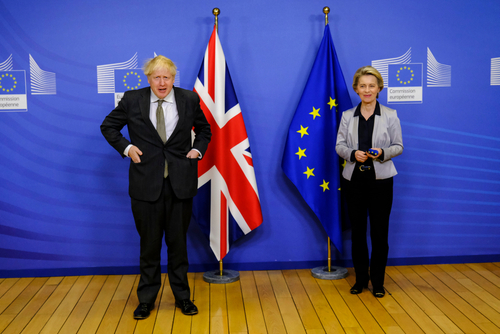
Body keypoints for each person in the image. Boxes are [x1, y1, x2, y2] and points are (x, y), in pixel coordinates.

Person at [101, 55, 211, 318]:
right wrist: (127, 148)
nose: (162, 83)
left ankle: (182, 298)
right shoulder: (132, 100)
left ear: (174, 78)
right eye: (157, 77)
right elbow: (109, 127)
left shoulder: (189, 99)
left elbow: (205, 130)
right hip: (145, 186)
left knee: (178, 246)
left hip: (180, 185)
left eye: (167, 77)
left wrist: (197, 150)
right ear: (148, 78)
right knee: (149, 246)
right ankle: (146, 299)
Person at [335, 66, 403, 298]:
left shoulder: (390, 115)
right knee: (358, 233)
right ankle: (360, 280)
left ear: (379, 88)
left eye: (371, 86)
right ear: (356, 89)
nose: (367, 90)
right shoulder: (346, 116)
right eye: (362, 86)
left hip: (381, 182)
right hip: (354, 181)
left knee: (379, 234)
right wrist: (352, 154)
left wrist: (382, 152)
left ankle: (378, 282)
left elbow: (399, 146)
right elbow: (339, 146)